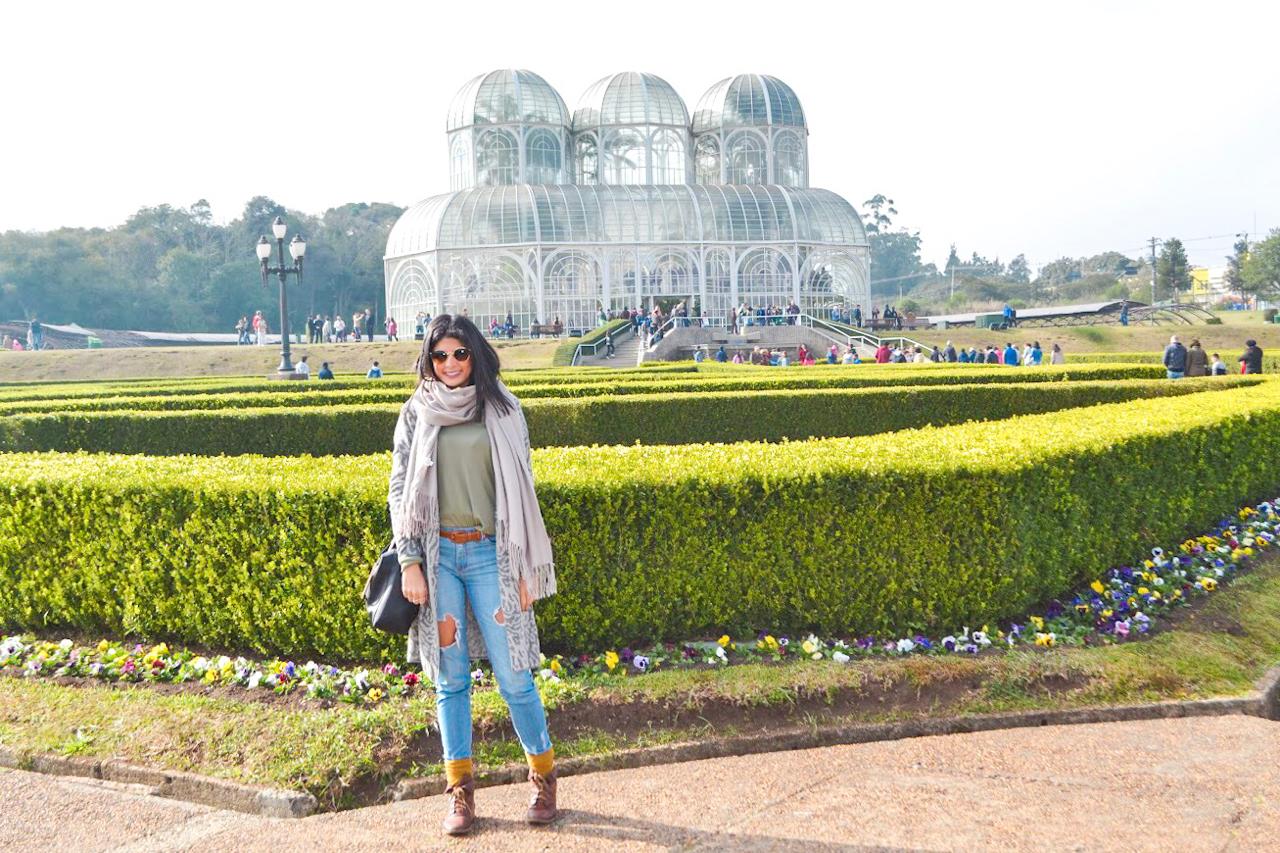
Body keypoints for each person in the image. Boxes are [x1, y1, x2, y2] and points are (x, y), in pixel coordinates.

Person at [389, 314, 559, 835]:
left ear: (476, 354)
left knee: (514, 675)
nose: (450, 364)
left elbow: (524, 488)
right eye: (440, 356)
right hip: (439, 558)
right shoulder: (418, 411)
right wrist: (410, 560)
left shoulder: (503, 409)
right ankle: (460, 795)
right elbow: (400, 488)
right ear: (427, 360)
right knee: (451, 679)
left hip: (493, 554)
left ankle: (544, 778)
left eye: (460, 353)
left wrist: (528, 568)